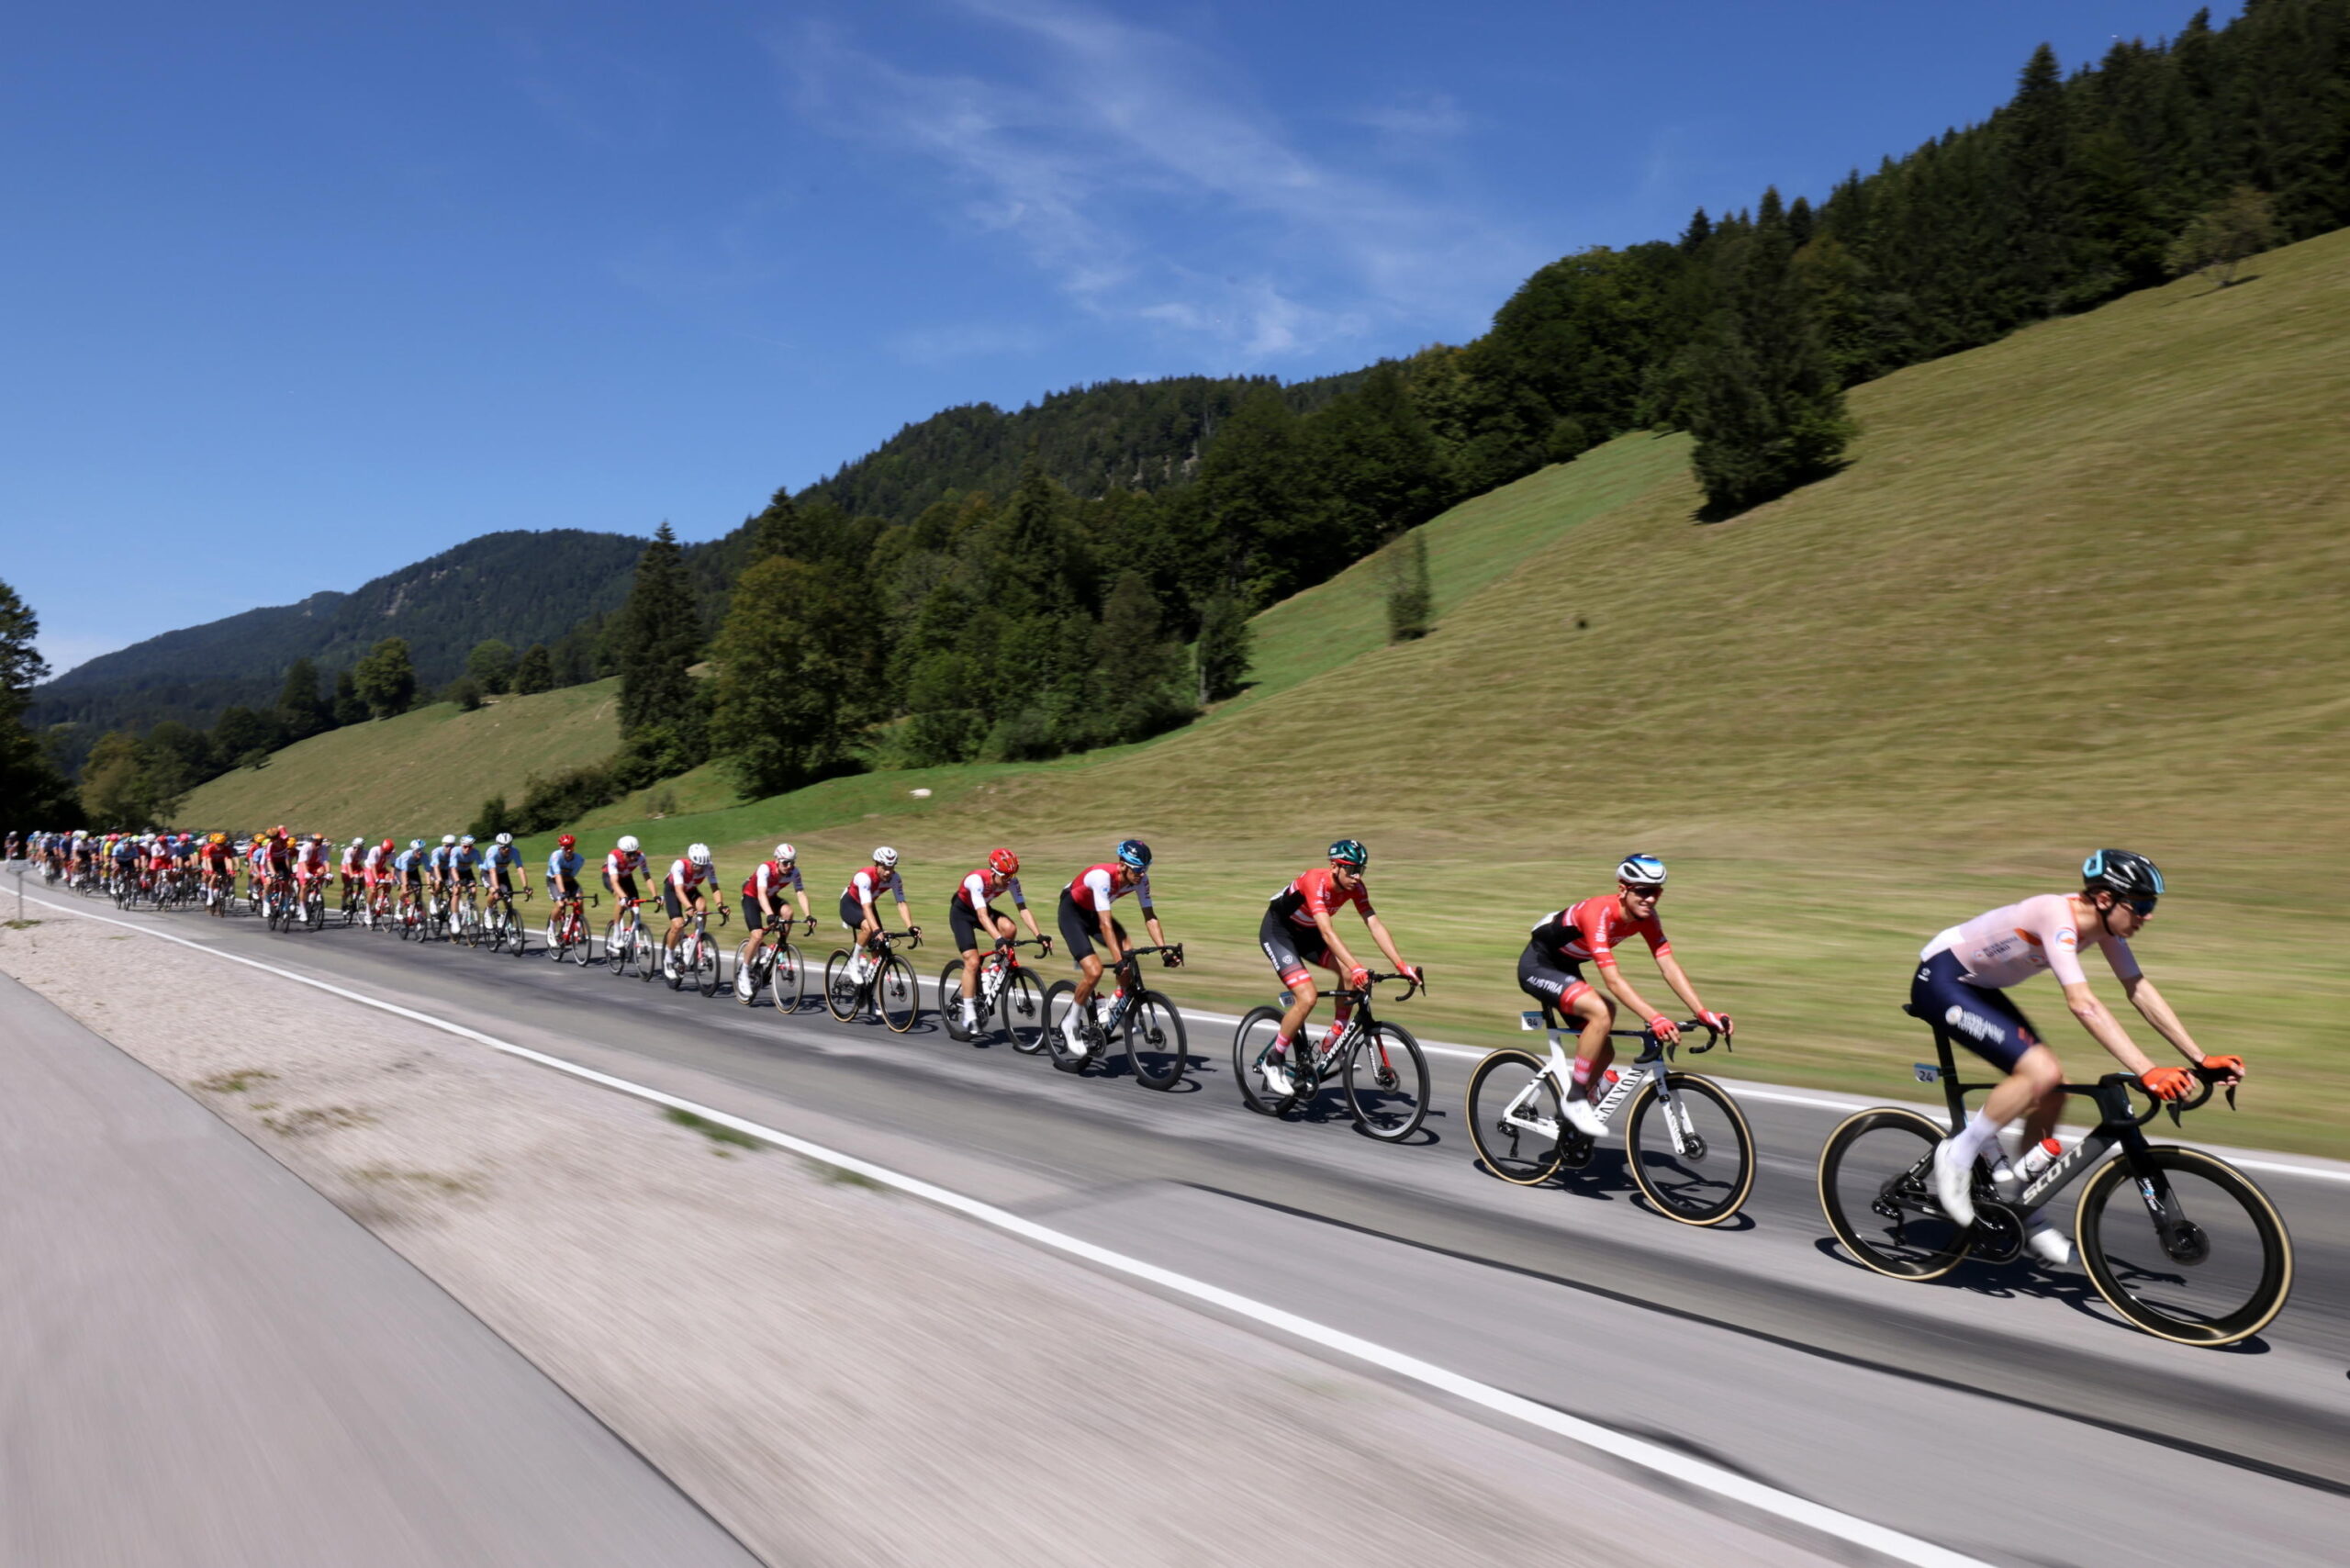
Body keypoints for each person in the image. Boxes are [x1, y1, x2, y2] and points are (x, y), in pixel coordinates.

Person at [1916, 850, 2243, 1266]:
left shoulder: (2106, 929)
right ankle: (1958, 1154)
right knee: (2042, 1070)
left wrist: (2201, 1056)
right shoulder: (2057, 915)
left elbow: (2137, 988)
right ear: (2105, 899)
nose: (2149, 915)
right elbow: (2083, 1004)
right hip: (1942, 979)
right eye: (2141, 905)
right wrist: (2148, 1070)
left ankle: (2027, 1211)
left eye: (2152, 905)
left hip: (1978, 988)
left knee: (2053, 1093)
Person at [1518, 854, 1733, 1138]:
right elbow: (1613, 981)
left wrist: (1703, 1012)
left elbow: (1668, 964)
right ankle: (1575, 1101)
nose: (1651, 899)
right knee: (1602, 1011)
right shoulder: (1598, 913)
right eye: (1643, 891)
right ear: (1623, 889)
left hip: (1566, 967)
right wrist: (1654, 1018)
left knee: (1604, 1050)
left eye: (1656, 892)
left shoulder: (1647, 918)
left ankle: (1568, 1121)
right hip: (1539, 965)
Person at [1253, 839, 1423, 1099]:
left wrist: (1402, 965)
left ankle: (1335, 1037)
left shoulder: (1356, 888)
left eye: (1361, 870)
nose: (1357, 876)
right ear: (1335, 867)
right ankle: (1273, 1060)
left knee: (1346, 974)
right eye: (1352, 870)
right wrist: (1356, 968)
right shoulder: (1314, 881)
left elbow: (1374, 924)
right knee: (1307, 996)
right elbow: (1327, 932)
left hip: (1308, 934)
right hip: (1280, 933)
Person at [1056, 839, 1179, 1058]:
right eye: (1138, 869)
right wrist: (1118, 961)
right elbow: (1104, 924)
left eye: (1146, 869)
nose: (1142, 874)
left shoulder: (1140, 881)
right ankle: (1070, 1023)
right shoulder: (1102, 877)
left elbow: (1150, 917)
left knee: (1128, 950)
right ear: (1122, 864)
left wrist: (1164, 951)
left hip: (1094, 913)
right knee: (1094, 970)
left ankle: (1113, 1007)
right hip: (1072, 912)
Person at [948, 848, 1047, 1036]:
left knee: (1010, 929)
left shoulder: (1011, 881)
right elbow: (982, 916)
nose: (1009, 881)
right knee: (973, 961)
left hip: (982, 911)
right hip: (962, 914)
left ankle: (994, 970)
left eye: (1013, 876)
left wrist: (1039, 935)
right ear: (994, 872)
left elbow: (1023, 909)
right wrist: (998, 939)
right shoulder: (977, 880)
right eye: (1006, 877)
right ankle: (969, 1012)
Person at [838, 847, 914, 982]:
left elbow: (901, 903)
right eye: (884, 867)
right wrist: (876, 929)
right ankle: (853, 961)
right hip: (851, 905)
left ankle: (868, 995)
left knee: (879, 954)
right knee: (869, 928)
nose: (888, 872)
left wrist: (911, 927)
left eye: (891, 868)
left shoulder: (895, 878)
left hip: (868, 906)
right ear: (876, 864)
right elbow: (866, 907)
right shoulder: (864, 877)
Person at [738, 843, 813, 967]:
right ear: (777, 860)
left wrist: (808, 916)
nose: (789, 866)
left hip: (770, 898)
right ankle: (744, 972)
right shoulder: (765, 869)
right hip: (752, 898)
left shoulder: (794, 872)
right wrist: (770, 915)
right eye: (785, 862)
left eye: (792, 862)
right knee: (757, 936)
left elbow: (800, 893)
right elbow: (761, 894)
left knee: (788, 912)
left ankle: (778, 947)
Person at [661, 843, 725, 979]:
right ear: (690, 861)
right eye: (697, 866)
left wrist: (720, 905)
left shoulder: (709, 867)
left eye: (703, 866)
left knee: (702, 905)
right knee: (678, 925)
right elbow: (678, 890)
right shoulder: (679, 865)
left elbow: (715, 888)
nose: (700, 870)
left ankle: (698, 935)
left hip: (690, 890)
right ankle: (668, 957)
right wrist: (689, 907)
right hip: (673, 890)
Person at [484, 831, 526, 905]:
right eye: (504, 847)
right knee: (494, 893)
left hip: (502, 873)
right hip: (488, 873)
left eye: (509, 846)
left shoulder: (514, 851)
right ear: (498, 846)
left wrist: (525, 886)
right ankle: (489, 910)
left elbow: (520, 868)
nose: (507, 849)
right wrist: (497, 888)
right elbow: (492, 871)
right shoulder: (492, 852)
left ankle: (508, 915)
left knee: (509, 894)